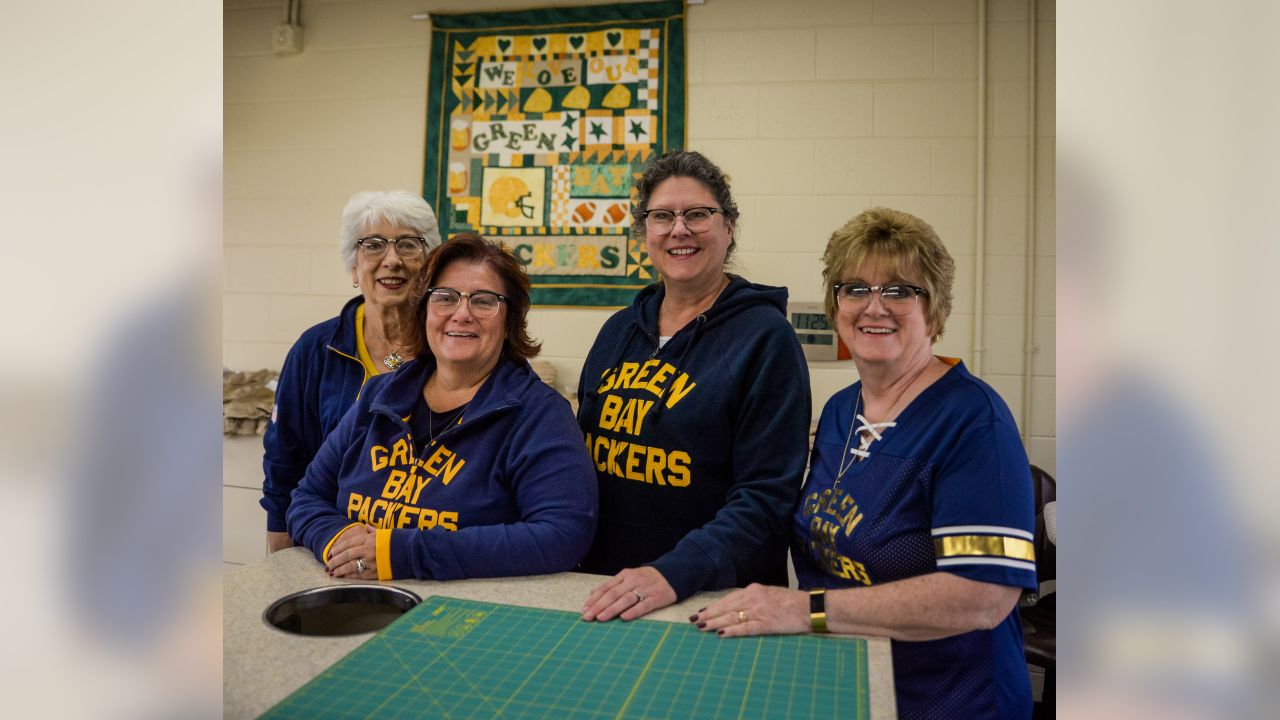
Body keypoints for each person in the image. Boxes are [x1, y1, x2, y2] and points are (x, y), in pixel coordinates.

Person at [690, 208, 1037, 720]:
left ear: (934, 309)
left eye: (899, 290)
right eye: (854, 289)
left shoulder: (973, 422)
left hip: (950, 697)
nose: (874, 307)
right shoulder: (839, 410)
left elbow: (983, 595)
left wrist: (805, 610)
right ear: (836, 306)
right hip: (850, 680)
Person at [577, 150, 812, 622]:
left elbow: (766, 496)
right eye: (662, 216)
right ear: (644, 232)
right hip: (606, 588)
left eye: (698, 215)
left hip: (713, 597)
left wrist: (673, 572)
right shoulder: (619, 331)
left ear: (728, 227)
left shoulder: (766, 339)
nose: (679, 229)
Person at [287, 234, 597, 580]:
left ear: (510, 322)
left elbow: (563, 535)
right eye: (445, 298)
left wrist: (401, 554)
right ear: (424, 312)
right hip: (355, 596)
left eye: (484, 301)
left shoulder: (539, 414)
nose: (461, 314)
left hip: (469, 619)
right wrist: (338, 539)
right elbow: (307, 498)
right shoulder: (378, 398)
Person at [260, 190, 441, 553]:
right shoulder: (316, 348)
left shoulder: (450, 345)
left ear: (429, 264)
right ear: (354, 267)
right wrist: (280, 553)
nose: (392, 260)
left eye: (408, 245)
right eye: (373, 245)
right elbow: (285, 458)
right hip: (326, 540)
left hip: (421, 545)